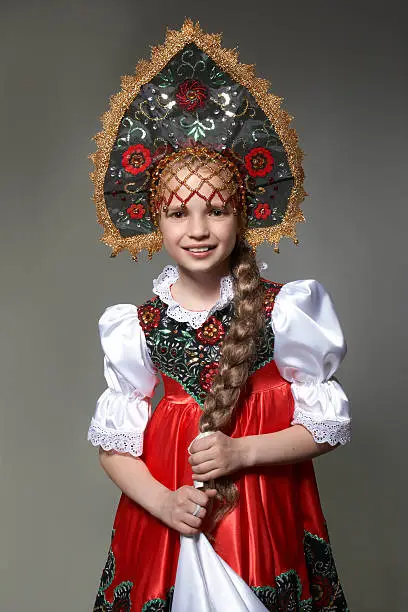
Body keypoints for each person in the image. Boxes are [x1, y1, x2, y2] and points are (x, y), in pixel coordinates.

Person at [87, 19, 351, 611]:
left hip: (259, 522)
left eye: (216, 210)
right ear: (154, 220)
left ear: (244, 215)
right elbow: (114, 445)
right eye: (179, 212)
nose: (199, 229)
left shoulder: (286, 311)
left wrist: (242, 453)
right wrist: (161, 503)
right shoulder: (137, 327)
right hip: (170, 522)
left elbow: (327, 425)